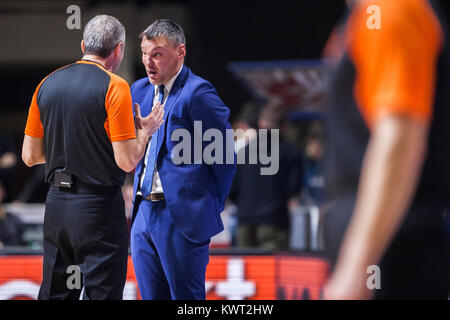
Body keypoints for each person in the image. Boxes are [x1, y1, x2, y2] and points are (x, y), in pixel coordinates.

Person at [22, 15, 164, 300]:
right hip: (97, 208)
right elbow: (127, 162)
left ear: (84, 44)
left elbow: (30, 156)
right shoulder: (115, 86)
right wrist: (144, 133)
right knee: (102, 293)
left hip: (57, 206)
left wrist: (72, 150)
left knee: (54, 293)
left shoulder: (46, 83)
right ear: (119, 49)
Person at [323, 0, 450, 299]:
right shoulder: (368, 16)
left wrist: (357, 267)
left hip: (394, 251)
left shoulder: (391, 10)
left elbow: (398, 138)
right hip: (384, 247)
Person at [130, 19, 235, 300]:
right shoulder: (138, 91)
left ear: (180, 52)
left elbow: (224, 157)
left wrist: (208, 202)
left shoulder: (198, 93)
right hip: (142, 214)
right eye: (144, 53)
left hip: (182, 216)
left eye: (157, 54)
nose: (148, 62)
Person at [230, 101, 303, 251]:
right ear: (285, 126)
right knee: (272, 272)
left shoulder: (243, 152)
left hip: (244, 223)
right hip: (274, 223)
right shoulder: (291, 153)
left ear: (261, 123)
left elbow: (231, 189)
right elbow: (293, 191)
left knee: (247, 272)